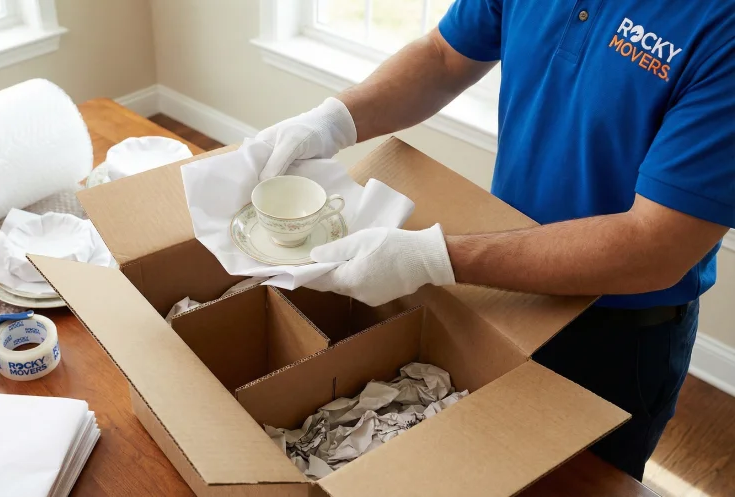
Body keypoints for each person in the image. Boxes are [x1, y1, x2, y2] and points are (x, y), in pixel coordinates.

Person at [251, 0, 734, 482]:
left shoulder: (721, 28)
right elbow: (444, 55)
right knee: (474, 469)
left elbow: (653, 247)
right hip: (501, 289)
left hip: (615, 336)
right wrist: (335, 120)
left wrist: (433, 256)